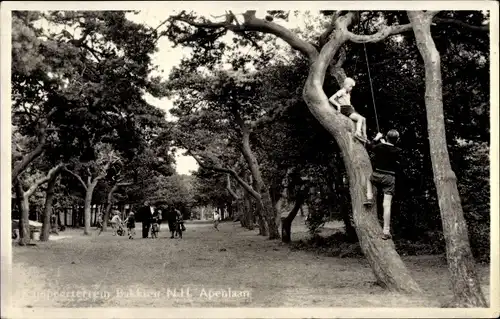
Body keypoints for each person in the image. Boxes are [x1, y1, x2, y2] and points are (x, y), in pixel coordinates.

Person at [364, 130, 401, 240]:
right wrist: (384, 143)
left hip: (377, 175)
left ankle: (369, 197)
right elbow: (390, 150)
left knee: (369, 179)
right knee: (387, 204)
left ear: (387, 137)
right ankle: (386, 231)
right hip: (389, 178)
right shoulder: (398, 150)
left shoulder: (380, 147)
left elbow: (369, 146)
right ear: (397, 140)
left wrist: (377, 137)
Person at [329, 77, 367, 141]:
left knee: (364, 119)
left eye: (352, 87)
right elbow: (331, 99)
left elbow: (346, 101)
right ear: (346, 85)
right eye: (350, 86)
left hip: (349, 108)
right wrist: (338, 105)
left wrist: (351, 106)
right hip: (345, 109)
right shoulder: (341, 91)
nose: (351, 88)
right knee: (359, 118)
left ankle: (364, 136)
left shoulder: (347, 93)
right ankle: (358, 133)